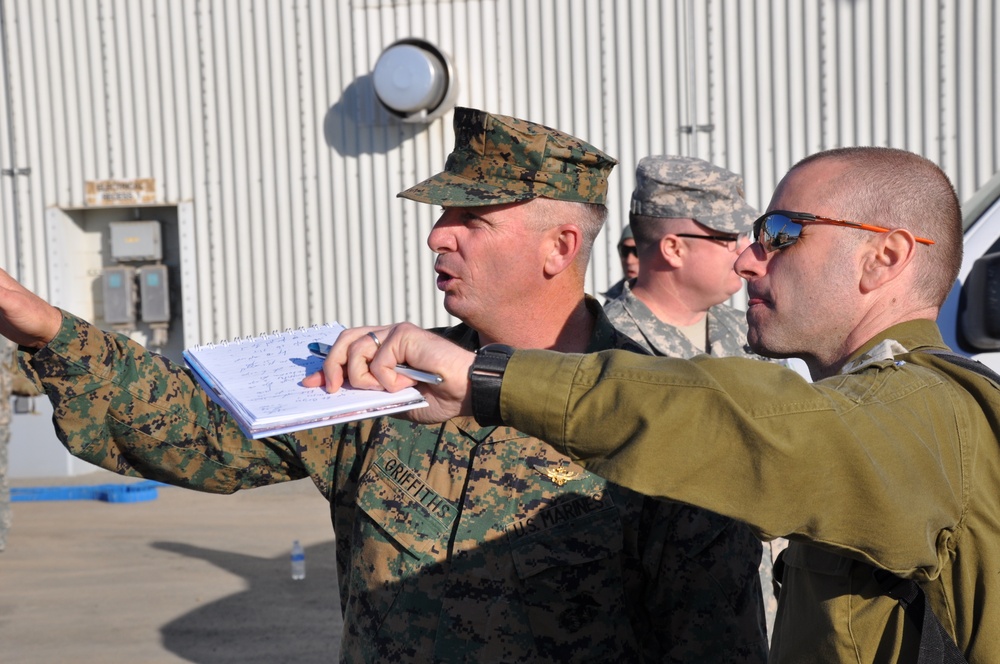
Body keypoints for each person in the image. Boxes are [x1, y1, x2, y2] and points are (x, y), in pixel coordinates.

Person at [0, 108, 768, 662]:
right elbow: (195, 434)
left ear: (558, 245)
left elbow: (712, 640)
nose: (438, 235)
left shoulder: (661, 415)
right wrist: (41, 326)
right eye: (442, 216)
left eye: (472, 217)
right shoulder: (382, 376)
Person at [320, 146, 997, 662]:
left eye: (784, 234)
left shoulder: (925, 411)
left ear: (884, 258)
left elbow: (746, 423)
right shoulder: (890, 408)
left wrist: (489, 379)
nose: (748, 262)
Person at [607, 154, 787, 637]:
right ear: (673, 248)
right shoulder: (604, 351)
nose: (748, 252)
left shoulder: (752, 336)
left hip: (761, 622)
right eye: (728, 238)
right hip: (660, 632)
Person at [601, 224, 637, 301]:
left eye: (636, 251)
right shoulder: (612, 299)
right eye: (624, 250)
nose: (629, 261)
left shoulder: (664, 298)